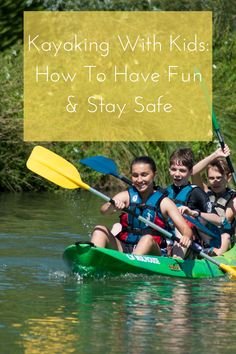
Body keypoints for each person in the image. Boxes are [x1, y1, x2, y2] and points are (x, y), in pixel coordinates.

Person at [91, 156, 193, 257]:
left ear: (154, 175)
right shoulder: (126, 196)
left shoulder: (164, 202)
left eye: (144, 175)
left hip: (153, 250)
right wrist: (112, 206)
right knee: (100, 229)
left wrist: (186, 237)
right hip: (125, 247)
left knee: (147, 238)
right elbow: (103, 211)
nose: (139, 180)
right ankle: (90, 263)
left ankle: (130, 265)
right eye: (135, 175)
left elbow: (186, 229)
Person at [165, 147, 221, 258]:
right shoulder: (165, 192)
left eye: (182, 170)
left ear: (191, 172)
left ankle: (176, 262)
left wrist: (193, 213)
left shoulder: (196, 192)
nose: (177, 174)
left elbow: (218, 220)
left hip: (189, 242)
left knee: (181, 224)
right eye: (174, 169)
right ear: (169, 170)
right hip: (167, 238)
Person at [192, 145, 236, 255]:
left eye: (219, 177)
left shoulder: (234, 198)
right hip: (204, 236)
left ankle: (215, 257)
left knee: (225, 237)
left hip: (221, 238)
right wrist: (215, 155)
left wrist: (198, 214)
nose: (215, 182)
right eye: (211, 178)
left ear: (228, 177)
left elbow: (222, 220)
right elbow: (193, 172)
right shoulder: (205, 191)